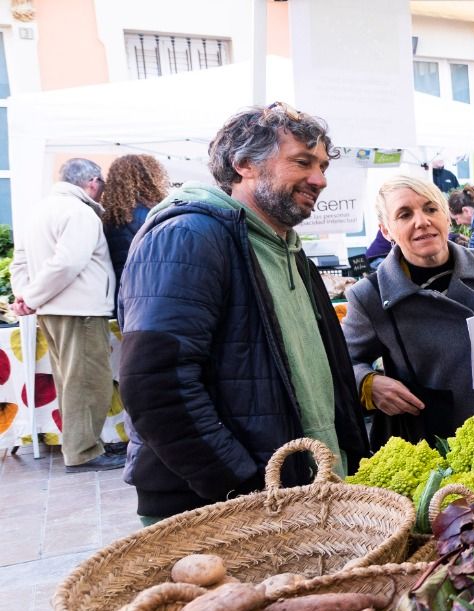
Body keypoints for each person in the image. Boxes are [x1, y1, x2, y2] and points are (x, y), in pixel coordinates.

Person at [118, 103, 369, 522]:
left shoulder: (287, 250)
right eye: (302, 162)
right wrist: (243, 486)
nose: (320, 179)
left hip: (288, 497)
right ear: (244, 164)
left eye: (323, 166)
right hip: (216, 509)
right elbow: (155, 384)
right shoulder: (189, 236)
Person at [342, 174, 474, 443]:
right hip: (439, 449)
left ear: (446, 216)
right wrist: (369, 383)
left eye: (431, 209)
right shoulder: (370, 297)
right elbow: (345, 363)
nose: (422, 221)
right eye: (405, 215)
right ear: (386, 231)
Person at [10, 158, 120, 473]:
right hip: (80, 310)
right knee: (88, 382)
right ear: (93, 181)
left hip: (53, 311)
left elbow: (21, 262)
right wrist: (30, 299)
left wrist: (26, 297)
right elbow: (68, 263)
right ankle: (84, 451)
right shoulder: (79, 212)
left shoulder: (40, 211)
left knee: (70, 382)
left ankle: (82, 446)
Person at [101, 154, 170, 299]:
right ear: (149, 178)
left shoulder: (109, 217)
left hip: (115, 292)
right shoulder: (151, 215)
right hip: (146, 291)